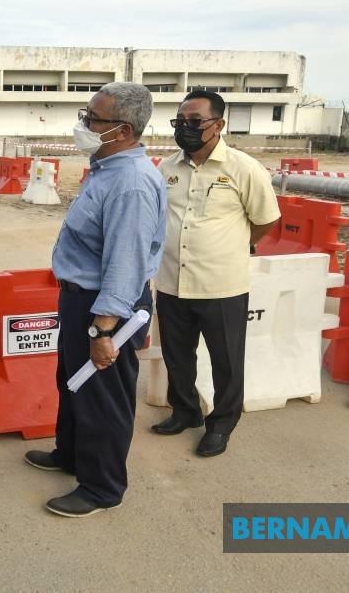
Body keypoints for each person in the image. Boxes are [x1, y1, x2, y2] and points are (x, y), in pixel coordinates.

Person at [23, 82, 165, 517]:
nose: (82, 124)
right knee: (73, 382)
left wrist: (104, 330)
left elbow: (125, 263)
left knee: (103, 395)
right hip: (82, 299)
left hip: (108, 308)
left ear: (121, 130)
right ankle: (71, 453)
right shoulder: (106, 168)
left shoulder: (132, 183)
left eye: (91, 119)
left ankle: (102, 487)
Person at [150, 91, 281, 457]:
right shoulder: (167, 168)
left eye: (195, 122)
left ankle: (221, 424)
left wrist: (235, 245)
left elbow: (266, 220)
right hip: (173, 280)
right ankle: (185, 411)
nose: (186, 129)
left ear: (219, 125)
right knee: (177, 355)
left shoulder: (244, 168)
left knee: (225, 360)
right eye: (180, 122)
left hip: (221, 285)